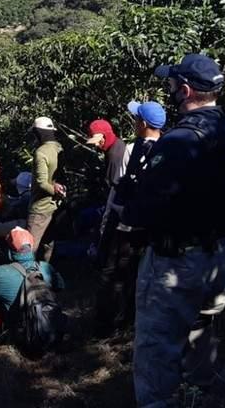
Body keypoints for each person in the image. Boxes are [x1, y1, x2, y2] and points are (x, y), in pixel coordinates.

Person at [122, 54, 225, 408]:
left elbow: (147, 207)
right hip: (216, 256)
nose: (169, 91)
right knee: (201, 340)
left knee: (156, 352)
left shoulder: (180, 140)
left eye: (172, 85)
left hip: (175, 261)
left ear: (186, 90)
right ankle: (198, 399)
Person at [95, 101, 166, 335]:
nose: (134, 122)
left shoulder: (133, 149)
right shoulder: (166, 149)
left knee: (113, 272)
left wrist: (109, 218)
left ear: (143, 123)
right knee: (136, 273)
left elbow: (121, 187)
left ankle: (109, 324)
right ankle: (129, 321)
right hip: (147, 224)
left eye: (136, 119)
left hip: (125, 222)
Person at [0, 227, 64, 334]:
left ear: (9, 252)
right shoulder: (46, 268)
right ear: (31, 248)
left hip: (18, 334)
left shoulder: (0, 273)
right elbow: (60, 286)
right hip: (49, 328)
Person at [27, 117, 65, 262]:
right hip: (55, 205)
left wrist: (55, 190)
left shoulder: (41, 152)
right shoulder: (59, 148)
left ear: (38, 133)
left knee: (30, 248)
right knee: (48, 244)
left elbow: (42, 183)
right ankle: (45, 275)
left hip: (40, 207)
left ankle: (29, 279)